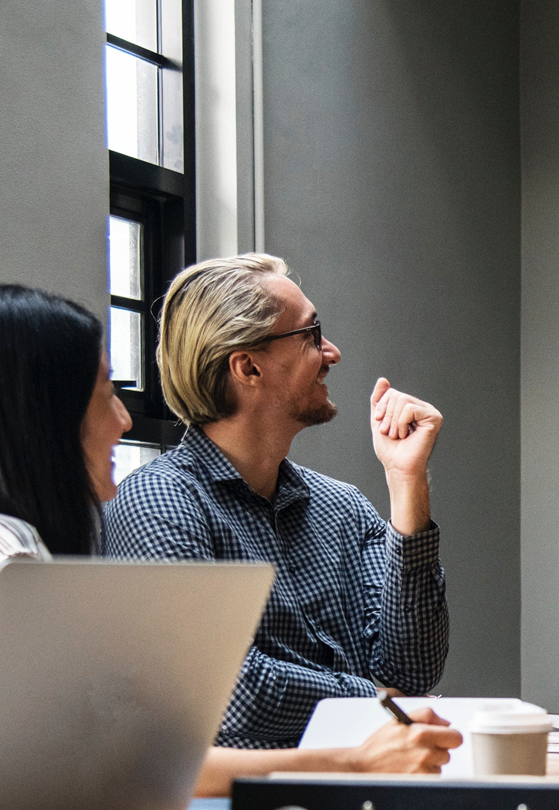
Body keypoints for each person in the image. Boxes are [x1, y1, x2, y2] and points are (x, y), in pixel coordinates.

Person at [0, 285, 462, 810]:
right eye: (105, 395)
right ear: (42, 419)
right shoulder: (8, 565)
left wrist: (407, 485)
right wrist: (362, 737)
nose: (124, 421)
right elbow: (149, 753)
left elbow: (122, 758)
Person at [103, 254, 449, 746]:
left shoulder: (342, 507)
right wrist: (377, 700)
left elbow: (413, 670)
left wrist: (406, 482)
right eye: (311, 333)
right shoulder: (160, 502)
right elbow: (230, 694)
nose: (332, 352)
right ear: (247, 367)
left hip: (363, 796)